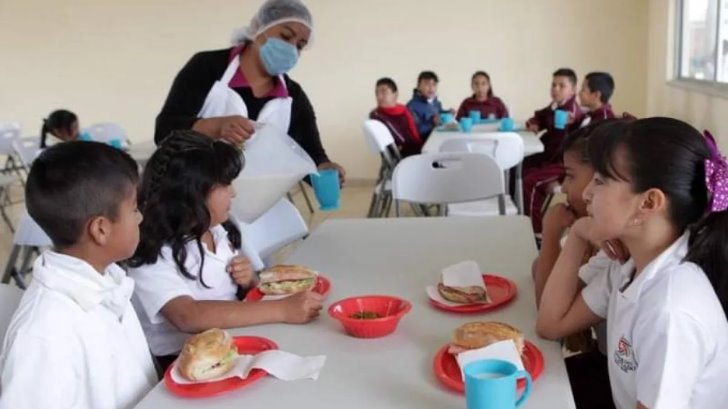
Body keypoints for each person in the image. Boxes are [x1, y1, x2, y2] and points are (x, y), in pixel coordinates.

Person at [537, 118, 728, 409]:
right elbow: (551, 324)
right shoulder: (628, 266)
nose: (587, 193)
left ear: (649, 203)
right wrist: (577, 233)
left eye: (600, 181)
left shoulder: (670, 309)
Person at [127, 130, 324, 371]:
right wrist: (282, 309)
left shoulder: (218, 228)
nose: (234, 192)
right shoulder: (151, 252)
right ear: (191, 194)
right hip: (188, 360)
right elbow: (188, 315)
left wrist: (250, 280)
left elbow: (230, 295)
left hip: (235, 338)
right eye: (224, 185)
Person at [0, 142, 156, 409]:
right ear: (100, 229)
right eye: (133, 209)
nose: (140, 218)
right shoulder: (45, 334)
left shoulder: (107, 281)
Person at [155, 0, 345, 184]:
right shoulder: (207, 67)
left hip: (257, 202)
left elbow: (310, 155)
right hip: (193, 196)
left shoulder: (293, 96)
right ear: (257, 28)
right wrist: (216, 127)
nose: (291, 48)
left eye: (300, 45)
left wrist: (325, 169)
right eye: (286, 36)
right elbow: (164, 131)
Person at [532, 121, 617, 409]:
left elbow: (545, 304)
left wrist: (551, 236)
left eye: (570, 176)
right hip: (608, 368)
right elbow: (548, 314)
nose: (564, 187)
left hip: (613, 379)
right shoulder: (606, 247)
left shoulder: (617, 256)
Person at [369, 77, 422, 157]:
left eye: (384, 92)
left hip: (414, 150)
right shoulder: (377, 115)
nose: (379, 96)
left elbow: (415, 133)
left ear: (395, 94)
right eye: (377, 93)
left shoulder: (404, 110)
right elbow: (402, 140)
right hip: (403, 156)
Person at [406, 70, 450, 141]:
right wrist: (432, 122)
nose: (431, 87)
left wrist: (448, 112)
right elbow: (416, 132)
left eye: (434, 84)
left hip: (437, 138)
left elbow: (439, 114)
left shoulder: (436, 103)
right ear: (418, 86)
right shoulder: (411, 106)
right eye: (427, 84)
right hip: (423, 144)